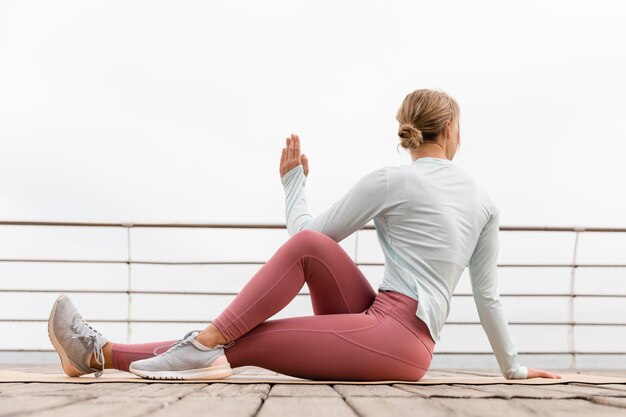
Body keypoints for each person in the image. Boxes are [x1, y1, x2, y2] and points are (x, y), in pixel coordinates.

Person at [47, 88, 561, 381]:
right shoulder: (485, 201)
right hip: (378, 321)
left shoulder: (392, 178)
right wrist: (513, 369)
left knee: (243, 342)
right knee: (313, 249)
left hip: (395, 339)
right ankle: (190, 344)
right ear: (450, 130)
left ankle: (102, 352)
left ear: (412, 132)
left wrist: (294, 186)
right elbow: (487, 296)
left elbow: (299, 233)